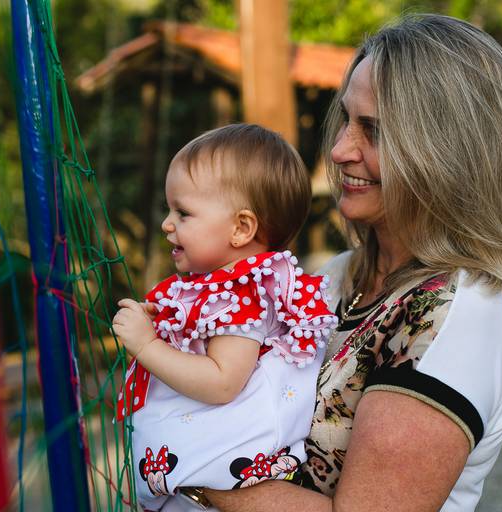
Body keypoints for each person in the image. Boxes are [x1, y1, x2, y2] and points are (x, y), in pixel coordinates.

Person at [200, 14, 502, 512]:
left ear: (450, 152)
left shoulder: (461, 315)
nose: (339, 150)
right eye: (346, 120)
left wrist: (186, 468)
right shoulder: (336, 276)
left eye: (372, 130)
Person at [112, 123, 338, 511]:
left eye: (183, 213)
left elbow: (221, 383)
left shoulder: (243, 295)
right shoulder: (221, 289)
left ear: (241, 228)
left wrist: (148, 346)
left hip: (221, 484)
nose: (167, 223)